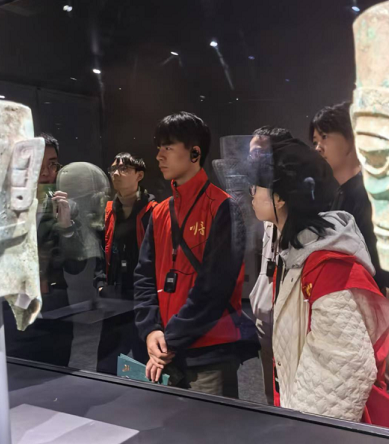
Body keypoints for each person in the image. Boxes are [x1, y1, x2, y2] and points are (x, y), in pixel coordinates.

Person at [248, 137, 389, 430]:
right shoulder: (296, 253)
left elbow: (346, 365)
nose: (252, 193)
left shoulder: (327, 266)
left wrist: (304, 430)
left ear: (280, 198)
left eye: (257, 186)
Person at [134, 112, 248, 397]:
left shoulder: (223, 207)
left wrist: (168, 340)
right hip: (166, 349)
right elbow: (144, 276)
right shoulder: (160, 212)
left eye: (168, 147)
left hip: (209, 354)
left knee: (211, 423)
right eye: (158, 147)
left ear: (195, 153)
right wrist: (151, 330)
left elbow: (214, 289)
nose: (159, 156)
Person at [310, 102, 389, 294]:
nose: (318, 148)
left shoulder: (368, 194)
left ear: (351, 137)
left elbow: (376, 265)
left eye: (324, 137)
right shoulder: (338, 194)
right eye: (315, 141)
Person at [94, 153, 156, 374]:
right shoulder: (108, 211)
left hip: (144, 299)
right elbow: (100, 251)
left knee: (149, 365)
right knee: (106, 367)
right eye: (113, 170)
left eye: (124, 169)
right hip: (115, 297)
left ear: (139, 175)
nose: (117, 174)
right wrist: (101, 284)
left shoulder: (154, 211)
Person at [248, 125, 293, 405]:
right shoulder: (266, 208)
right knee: (271, 395)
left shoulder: (292, 208)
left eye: (259, 154)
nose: (252, 161)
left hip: (289, 320)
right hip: (266, 315)